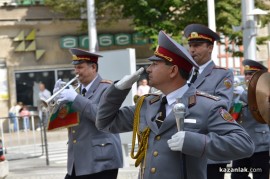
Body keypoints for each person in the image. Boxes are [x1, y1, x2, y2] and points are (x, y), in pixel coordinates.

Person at [96, 31, 254, 179]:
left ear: (173, 71)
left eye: (155, 64)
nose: (148, 69)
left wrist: (197, 142)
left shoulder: (206, 105)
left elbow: (244, 144)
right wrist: (117, 91)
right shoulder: (147, 104)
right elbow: (105, 123)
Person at [55, 48, 123, 179]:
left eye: (80, 67)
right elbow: (63, 120)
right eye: (75, 68)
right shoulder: (76, 90)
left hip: (101, 159)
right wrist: (57, 101)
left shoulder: (107, 88)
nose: (76, 71)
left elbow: (101, 116)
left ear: (93, 67)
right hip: (78, 159)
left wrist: (75, 99)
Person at [184, 23, 234, 179]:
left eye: (197, 45)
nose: (192, 50)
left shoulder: (222, 74)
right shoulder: (183, 73)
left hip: (210, 146)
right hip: (185, 145)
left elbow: (223, 105)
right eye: (190, 45)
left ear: (210, 48)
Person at [231, 59, 270, 179]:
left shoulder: (266, 91)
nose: (248, 77)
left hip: (259, 143)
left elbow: (259, 106)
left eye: (251, 74)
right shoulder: (242, 92)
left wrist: (243, 94)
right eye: (246, 74)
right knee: (237, 176)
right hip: (241, 143)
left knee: (260, 176)